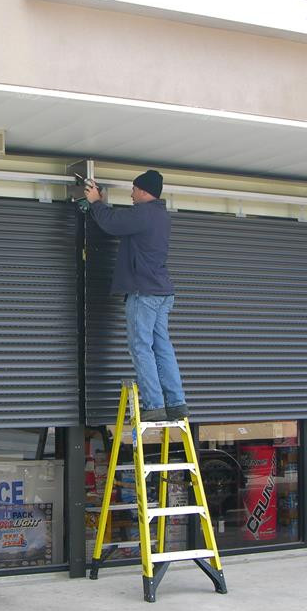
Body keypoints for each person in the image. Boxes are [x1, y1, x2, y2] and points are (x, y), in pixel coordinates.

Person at [83, 169, 188, 422]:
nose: (130, 194)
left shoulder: (144, 213)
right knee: (162, 346)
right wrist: (102, 204)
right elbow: (121, 220)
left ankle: (153, 405)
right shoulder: (160, 215)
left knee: (141, 347)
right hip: (161, 291)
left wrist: (96, 202)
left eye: (133, 189)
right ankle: (176, 403)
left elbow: (112, 224)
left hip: (144, 292)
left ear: (142, 190)